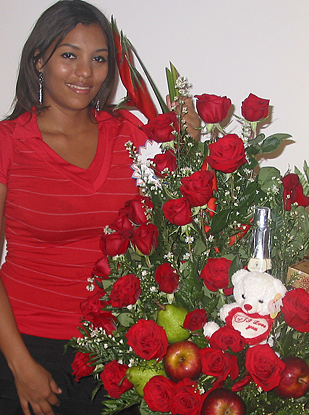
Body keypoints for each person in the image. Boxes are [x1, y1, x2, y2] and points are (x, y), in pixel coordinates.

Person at [0, 1, 200, 414]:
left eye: (99, 59)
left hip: (120, 347)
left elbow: (179, 215)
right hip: (27, 346)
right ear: (39, 60)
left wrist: (189, 142)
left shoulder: (130, 132)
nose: (85, 73)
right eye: (69, 55)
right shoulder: (9, 142)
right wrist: (21, 367)